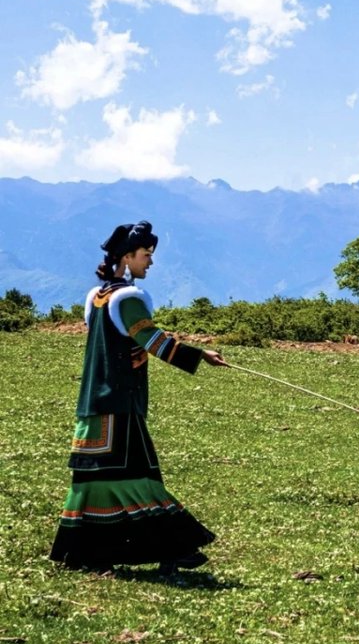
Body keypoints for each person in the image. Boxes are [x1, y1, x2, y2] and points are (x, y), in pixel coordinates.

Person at [49, 221, 227, 578]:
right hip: (118, 403)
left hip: (94, 404)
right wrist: (198, 355)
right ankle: (176, 548)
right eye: (146, 255)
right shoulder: (127, 299)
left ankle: (91, 553)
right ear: (127, 257)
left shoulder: (97, 298)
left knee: (95, 481)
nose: (150, 262)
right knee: (139, 478)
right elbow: (152, 340)